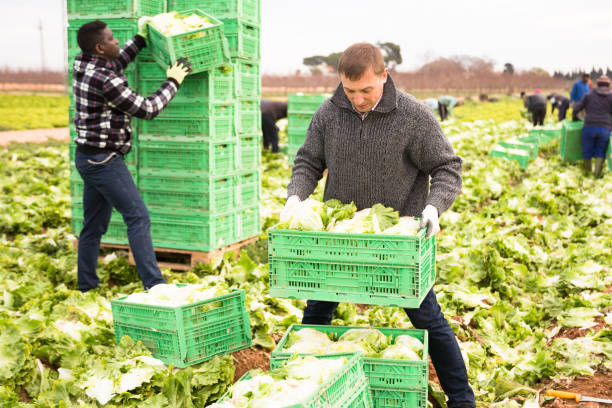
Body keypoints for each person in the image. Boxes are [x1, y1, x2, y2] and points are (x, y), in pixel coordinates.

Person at [285, 43, 475, 408]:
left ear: (384, 77)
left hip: (395, 243)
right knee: (317, 312)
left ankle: (462, 400)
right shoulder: (328, 113)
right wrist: (296, 194)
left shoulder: (413, 116)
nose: (357, 99)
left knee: (427, 318)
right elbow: (309, 161)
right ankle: (308, 392)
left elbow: (448, 166)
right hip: (341, 239)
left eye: (366, 90)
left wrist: (435, 208)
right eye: (350, 90)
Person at [72, 19, 190, 291]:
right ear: (100, 47)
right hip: (104, 160)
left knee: (93, 226)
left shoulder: (84, 63)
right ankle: (155, 285)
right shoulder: (106, 81)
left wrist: (140, 38)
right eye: (112, 39)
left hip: (87, 157)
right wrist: (173, 80)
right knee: (137, 216)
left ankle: (86, 286)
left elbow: (117, 60)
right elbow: (148, 109)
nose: (117, 41)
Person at [572, 75, 612, 178]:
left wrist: (575, 118)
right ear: (609, 85)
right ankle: (596, 176)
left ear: (597, 85)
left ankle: (587, 176)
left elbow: (577, 108)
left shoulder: (589, 95)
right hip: (605, 128)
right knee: (601, 151)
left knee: (587, 151)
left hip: (589, 127)